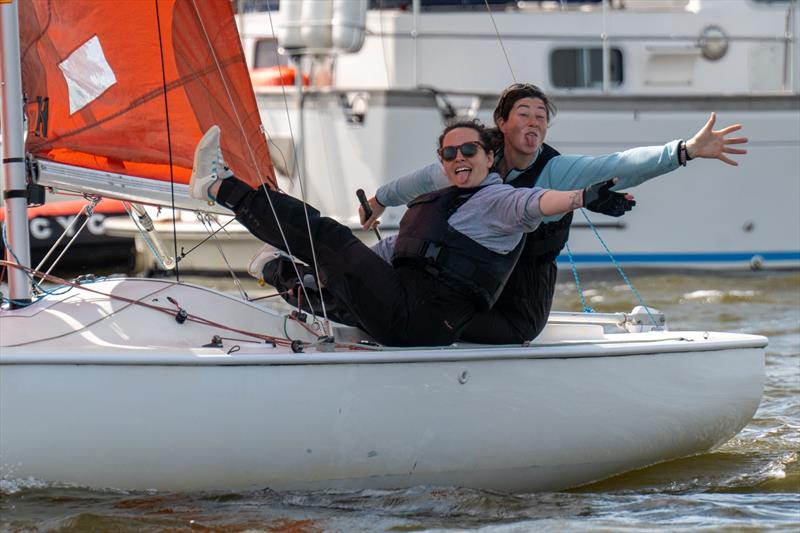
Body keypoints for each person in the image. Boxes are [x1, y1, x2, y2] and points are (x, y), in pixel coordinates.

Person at [353, 83, 747, 343]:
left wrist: (684, 151)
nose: (535, 120)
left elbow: (619, 164)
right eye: (524, 112)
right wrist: (381, 200)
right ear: (502, 123)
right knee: (399, 257)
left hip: (519, 294)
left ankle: (399, 326)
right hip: (464, 279)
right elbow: (421, 180)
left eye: (542, 116)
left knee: (424, 313)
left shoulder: (556, 170)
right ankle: (334, 298)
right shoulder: (473, 157)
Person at [191, 120, 633, 347]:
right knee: (326, 283)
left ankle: (217, 186)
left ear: (489, 155)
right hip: (401, 305)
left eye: (470, 150)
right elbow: (393, 250)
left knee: (325, 236)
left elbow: (539, 203)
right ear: (441, 161)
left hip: (424, 319)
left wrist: (581, 197)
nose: (459, 157)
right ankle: (274, 268)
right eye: (449, 152)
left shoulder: (500, 202)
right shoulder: (440, 200)